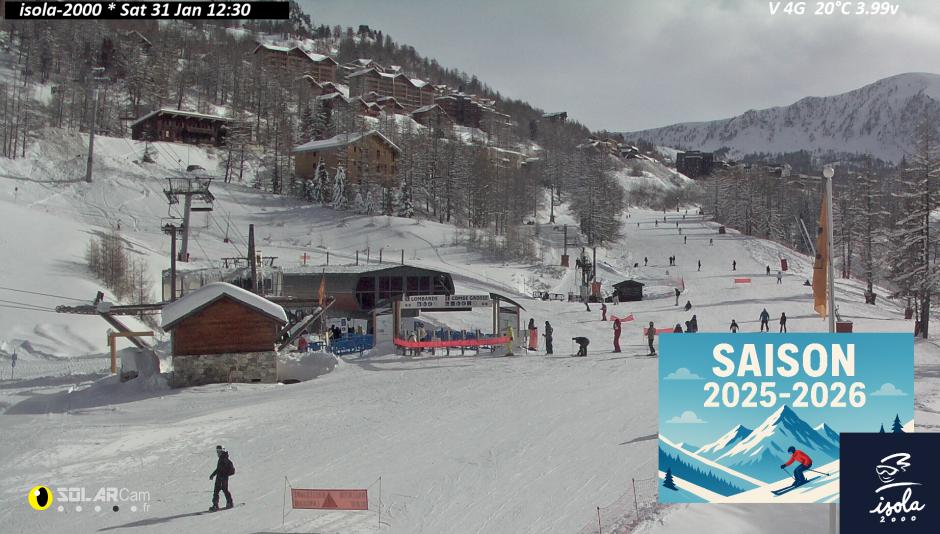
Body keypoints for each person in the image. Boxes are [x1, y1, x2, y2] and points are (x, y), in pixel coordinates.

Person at [209, 446, 235, 511]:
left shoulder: (225, 460)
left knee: (224, 490)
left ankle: (229, 503)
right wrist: (213, 475)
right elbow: (218, 469)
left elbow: (230, 471)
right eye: (217, 451)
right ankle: (216, 505)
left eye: (219, 451)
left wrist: (224, 475)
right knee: (217, 491)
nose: (218, 453)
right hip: (219, 478)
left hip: (223, 479)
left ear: (222, 451)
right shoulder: (221, 459)